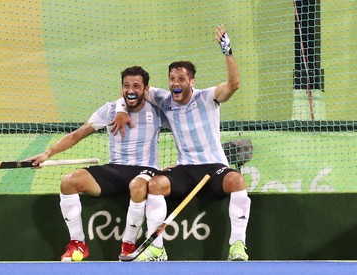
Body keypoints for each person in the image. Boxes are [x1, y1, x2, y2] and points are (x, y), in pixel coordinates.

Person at [112, 24, 250, 261]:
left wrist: (228, 52)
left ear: (192, 81)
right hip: (185, 169)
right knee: (155, 185)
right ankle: (157, 248)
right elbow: (134, 89)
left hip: (213, 166)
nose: (175, 83)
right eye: (172, 78)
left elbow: (233, 85)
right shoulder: (165, 100)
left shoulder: (207, 97)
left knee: (236, 179)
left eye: (181, 79)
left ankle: (237, 245)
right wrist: (120, 109)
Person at [26, 66, 165, 261]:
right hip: (114, 168)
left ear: (146, 88)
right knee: (69, 181)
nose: (131, 90)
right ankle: (78, 244)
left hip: (144, 169)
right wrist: (47, 153)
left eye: (136, 86)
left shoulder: (157, 111)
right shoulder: (109, 110)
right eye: (126, 86)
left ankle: (129, 245)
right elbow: (78, 134)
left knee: (137, 184)